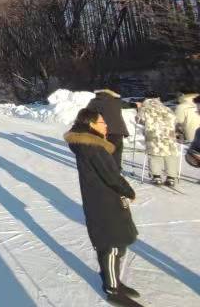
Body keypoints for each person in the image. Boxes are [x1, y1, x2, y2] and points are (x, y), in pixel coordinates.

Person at [65, 108, 140, 306]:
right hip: (104, 201)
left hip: (100, 199)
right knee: (112, 244)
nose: (106, 125)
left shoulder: (89, 144)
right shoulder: (94, 147)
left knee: (114, 243)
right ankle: (112, 289)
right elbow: (111, 175)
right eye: (102, 123)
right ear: (91, 125)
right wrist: (128, 190)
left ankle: (113, 280)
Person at [137, 93, 180, 187]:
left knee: (154, 155)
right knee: (170, 155)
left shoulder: (145, 108)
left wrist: (139, 110)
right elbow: (175, 119)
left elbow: (139, 120)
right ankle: (171, 177)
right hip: (169, 135)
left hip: (153, 135)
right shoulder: (166, 108)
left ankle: (156, 177)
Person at [85, 89, 132, 170]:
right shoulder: (116, 101)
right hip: (118, 130)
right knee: (117, 150)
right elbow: (127, 105)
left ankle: (105, 168)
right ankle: (116, 169)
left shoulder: (95, 102)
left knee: (104, 149)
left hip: (103, 129)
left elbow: (87, 113)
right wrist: (136, 105)